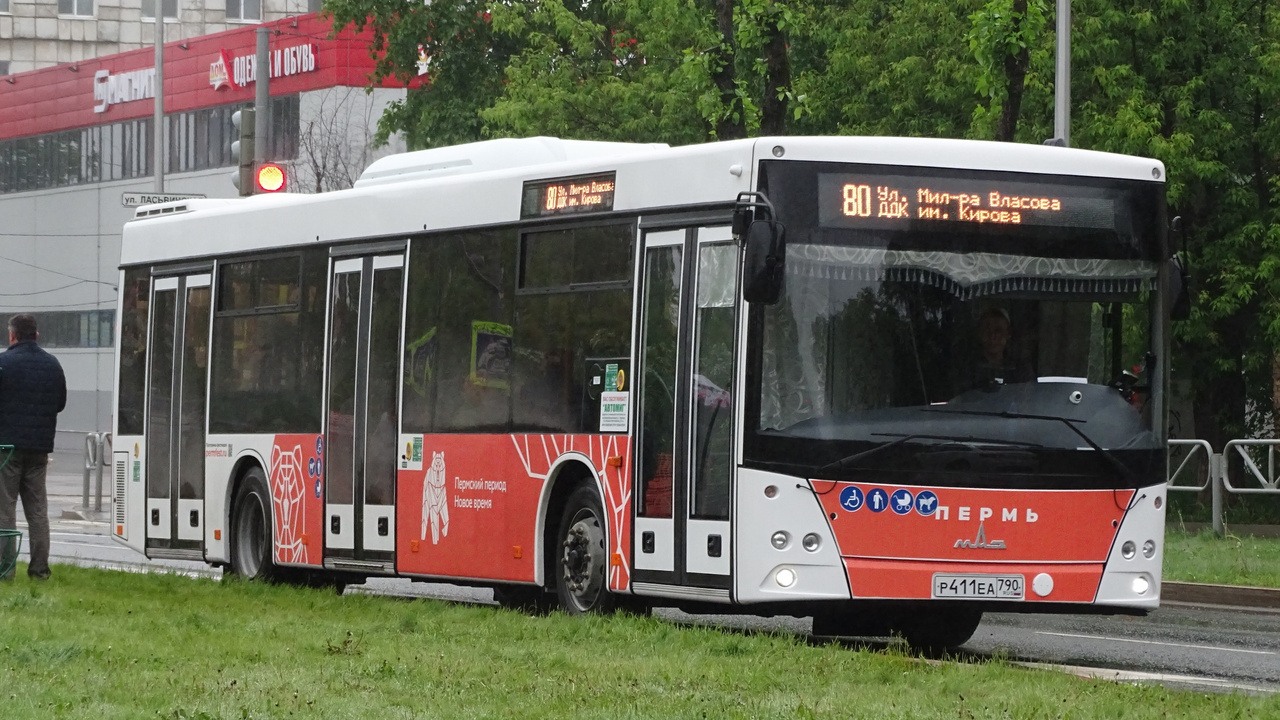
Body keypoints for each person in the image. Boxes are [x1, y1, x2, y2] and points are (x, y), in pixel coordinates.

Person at [0, 314, 67, 581]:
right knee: (38, 511)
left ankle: (5, 571)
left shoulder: (3, 364)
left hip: (7, 449)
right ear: (36, 336)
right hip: (39, 449)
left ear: (12, 335)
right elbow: (60, 403)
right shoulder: (52, 364)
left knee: (5, 510)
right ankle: (39, 570)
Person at [968, 307, 1031, 388]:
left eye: (998, 330)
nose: (992, 336)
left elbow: (1025, 396)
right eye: (986, 330)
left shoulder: (1019, 368)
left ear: (1008, 333)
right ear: (979, 333)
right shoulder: (969, 368)